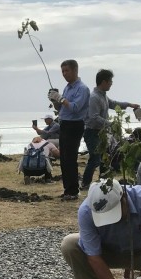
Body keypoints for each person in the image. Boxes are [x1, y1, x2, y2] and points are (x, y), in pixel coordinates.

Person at [82, 69, 139, 188]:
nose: (111, 84)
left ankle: (103, 181)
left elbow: (113, 104)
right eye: (110, 81)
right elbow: (94, 118)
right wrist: (111, 124)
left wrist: (129, 105)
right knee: (95, 158)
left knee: (104, 157)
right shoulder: (94, 97)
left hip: (102, 132)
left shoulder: (103, 96)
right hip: (92, 132)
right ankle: (85, 183)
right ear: (104, 82)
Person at [49, 59, 90, 201]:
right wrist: (55, 100)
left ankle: (73, 190)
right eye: (62, 71)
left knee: (71, 158)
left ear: (75, 70)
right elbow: (61, 108)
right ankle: (67, 189)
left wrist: (60, 99)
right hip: (64, 124)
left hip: (75, 125)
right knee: (64, 158)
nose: (64, 74)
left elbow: (74, 107)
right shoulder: (67, 88)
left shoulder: (82, 89)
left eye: (67, 71)